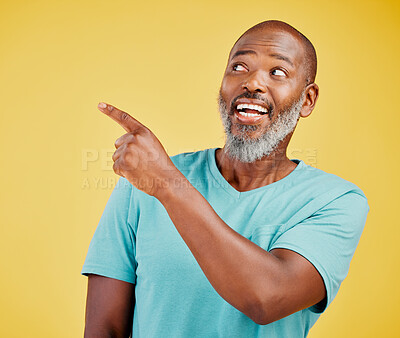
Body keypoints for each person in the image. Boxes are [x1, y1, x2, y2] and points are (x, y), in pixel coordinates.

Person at [81, 20, 369, 337]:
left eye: (277, 72)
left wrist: (167, 185)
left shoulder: (335, 201)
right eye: (239, 67)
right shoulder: (142, 183)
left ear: (307, 99)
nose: (253, 82)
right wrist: (160, 179)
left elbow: (268, 299)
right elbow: (104, 327)